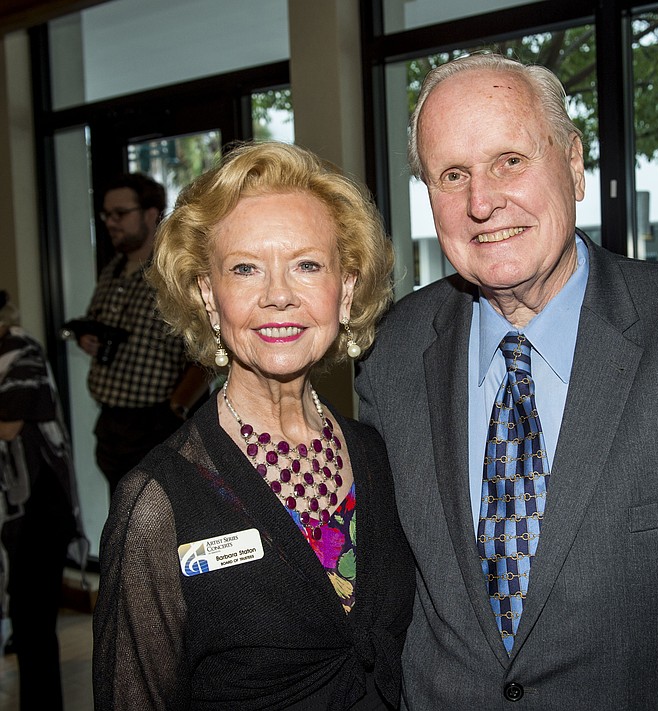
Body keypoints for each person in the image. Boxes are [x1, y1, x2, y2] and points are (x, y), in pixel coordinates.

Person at [354, 52, 658, 709]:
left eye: (510, 161)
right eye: (452, 173)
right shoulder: (392, 352)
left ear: (574, 163)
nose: (482, 201)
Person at [92, 141, 414, 710]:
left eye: (307, 265)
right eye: (245, 269)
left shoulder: (379, 455)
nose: (279, 296)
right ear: (207, 296)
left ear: (346, 288)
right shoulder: (158, 502)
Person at [67, 172, 210, 497]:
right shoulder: (112, 269)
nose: (111, 222)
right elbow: (96, 320)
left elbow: (206, 348)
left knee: (161, 518)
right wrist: (86, 338)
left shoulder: (173, 272)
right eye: (106, 215)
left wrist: (177, 408)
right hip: (112, 423)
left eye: (120, 213)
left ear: (151, 214)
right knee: (122, 519)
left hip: (158, 423)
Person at [0, 290, 88, 710]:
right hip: (14, 510)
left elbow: (8, 426)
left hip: (38, 509)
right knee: (25, 621)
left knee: (33, 627)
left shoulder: (20, 350)